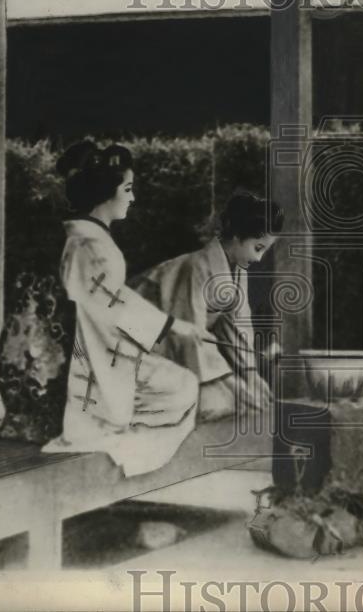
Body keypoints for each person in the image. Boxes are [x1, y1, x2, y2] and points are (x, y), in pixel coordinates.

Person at [41, 141, 216, 476]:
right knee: (182, 387)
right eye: (127, 189)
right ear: (105, 193)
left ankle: (117, 424)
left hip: (104, 343)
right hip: (95, 350)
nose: (132, 198)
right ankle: (114, 430)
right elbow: (111, 303)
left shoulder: (87, 241)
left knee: (181, 385)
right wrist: (171, 326)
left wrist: (170, 324)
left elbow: (113, 295)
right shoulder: (89, 245)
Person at [132, 191, 283, 420]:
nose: (259, 259)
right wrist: (231, 382)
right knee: (217, 403)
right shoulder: (196, 266)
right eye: (258, 248)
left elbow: (237, 326)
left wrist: (251, 374)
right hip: (140, 345)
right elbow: (190, 333)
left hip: (183, 347)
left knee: (239, 400)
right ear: (237, 237)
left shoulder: (237, 270)